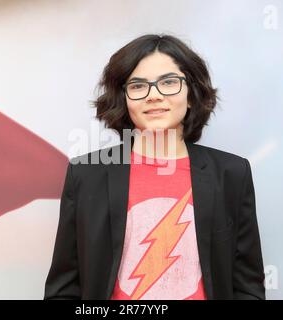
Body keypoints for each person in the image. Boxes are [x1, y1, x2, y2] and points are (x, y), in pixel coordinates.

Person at [44, 34, 265, 300]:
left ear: (192, 94)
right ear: (123, 98)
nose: (154, 96)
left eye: (169, 82)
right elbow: (64, 287)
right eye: (138, 86)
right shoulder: (87, 174)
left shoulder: (231, 173)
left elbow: (247, 285)